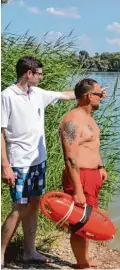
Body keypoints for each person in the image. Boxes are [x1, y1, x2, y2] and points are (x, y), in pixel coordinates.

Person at [1, 56, 76, 266]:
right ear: (29, 73)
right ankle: (0, 253)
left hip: (38, 160)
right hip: (19, 162)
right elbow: (0, 132)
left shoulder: (38, 94)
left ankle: (29, 251)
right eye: (39, 74)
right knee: (19, 208)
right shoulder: (7, 96)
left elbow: (67, 96)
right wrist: (5, 165)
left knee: (33, 205)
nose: (42, 77)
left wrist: (91, 93)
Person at [58, 78, 108, 269]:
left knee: (89, 218)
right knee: (80, 222)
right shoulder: (72, 121)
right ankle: (81, 264)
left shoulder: (90, 118)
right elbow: (70, 158)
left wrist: (101, 167)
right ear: (88, 97)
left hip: (93, 176)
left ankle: (84, 259)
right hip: (80, 177)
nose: (101, 98)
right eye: (98, 95)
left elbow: (93, 147)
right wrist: (78, 189)